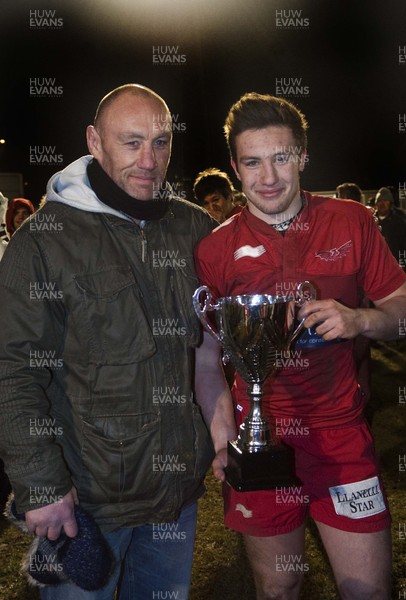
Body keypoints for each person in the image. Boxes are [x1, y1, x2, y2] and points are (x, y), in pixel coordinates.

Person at [0, 83, 217, 599]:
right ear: (94, 142)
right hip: (86, 502)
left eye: (161, 142)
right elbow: (12, 368)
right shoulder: (45, 241)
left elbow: (221, 335)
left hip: (173, 498)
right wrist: (42, 484)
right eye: (132, 142)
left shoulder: (192, 226)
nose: (149, 160)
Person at [194, 92, 406, 599]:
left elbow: (401, 309)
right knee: (279, 588)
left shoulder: (351, 220)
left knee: (369, 590)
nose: (268, 177)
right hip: (263, 439)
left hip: (340, 437)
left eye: (281, 157)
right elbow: (205, 357)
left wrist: (361, 319)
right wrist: (225, 436)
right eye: (252, 161)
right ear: (235, 166)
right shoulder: (215, 248)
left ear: (304, 156)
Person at [375, 186, 406, 270]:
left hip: (394, 267)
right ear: (376, 203)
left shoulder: (399, 222)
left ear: (390, 203)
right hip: (376, 266)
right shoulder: (371, 221)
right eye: (379, 201)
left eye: (385, 200)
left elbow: (403, 246)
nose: (382, 204)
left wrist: (403, 265)